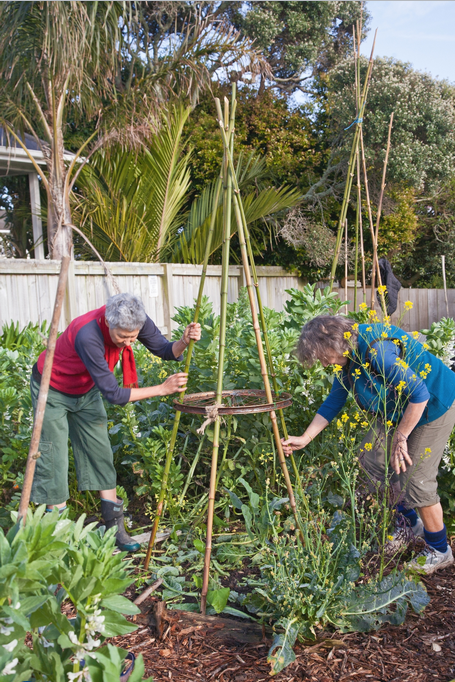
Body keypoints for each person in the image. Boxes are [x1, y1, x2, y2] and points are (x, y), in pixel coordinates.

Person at [282, 314, 455, 574]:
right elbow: (334, 400)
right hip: (397, 408)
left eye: (321, 355)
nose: (321, 362)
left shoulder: (377, 352)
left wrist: (401, 437)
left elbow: (420, 394)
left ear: (335, 343)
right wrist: (305, 438)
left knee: (416, 478)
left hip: (433, 404)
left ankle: (440, 550)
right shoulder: (347, 359)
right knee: (370, 465)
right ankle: (411, 527)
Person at [30, 292, 201, 552]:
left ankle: (114, 528)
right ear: (108, 323)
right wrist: (162, 389)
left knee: (100, 451)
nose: (129, 342)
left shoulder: (135, 320)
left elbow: (165, 350)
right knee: (54, 458)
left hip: (85, 390)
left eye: (133, 336)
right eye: (123, 337)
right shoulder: (87, 334)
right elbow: (113, 394)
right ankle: (55, 536)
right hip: (52, 389)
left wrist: (183, 341)